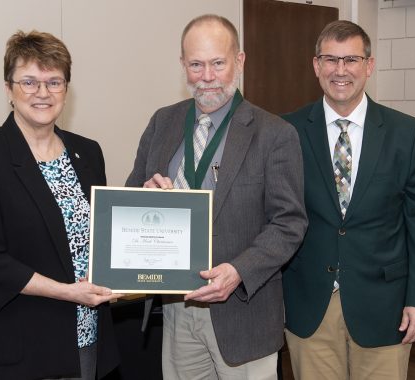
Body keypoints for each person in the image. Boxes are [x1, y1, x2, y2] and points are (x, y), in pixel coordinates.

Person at [125, 14, 307, 379]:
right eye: (196, 64)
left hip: (244, 310)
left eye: (217, 63)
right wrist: (144, 198)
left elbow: (289, 223)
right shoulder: (162, 122)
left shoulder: (275, 134)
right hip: (178, 310)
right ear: (183, 66)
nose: (206, 76)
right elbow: (130, 198)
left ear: (239, 62)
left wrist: (239, 272)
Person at [0, 30, 121, 380]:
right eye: (29, 82)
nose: (42, 93)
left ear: (66, 90)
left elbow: (102, 237)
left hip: (85, 337)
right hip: (18, 347)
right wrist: (68, 292)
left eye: (54, 82)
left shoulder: (88, 152)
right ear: (8, 89)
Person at [282, 20, 415, 380]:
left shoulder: (407, 133)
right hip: (310, 308)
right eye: (330, 59)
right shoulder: (286, 131)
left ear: (369, 66)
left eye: (351, 59)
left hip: (385, 308)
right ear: (316, 66)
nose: (341, 70)